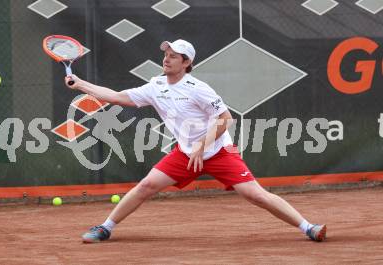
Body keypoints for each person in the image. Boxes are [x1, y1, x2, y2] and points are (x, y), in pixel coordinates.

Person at [64, 39, 327, 243]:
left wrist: (202, 147)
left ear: (186, 63)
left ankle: (309, 228)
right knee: (146, 186)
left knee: (256, 195)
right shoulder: (156, 86)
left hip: (218, 152)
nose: (167, 59)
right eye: (166, 55)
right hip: (185, 154)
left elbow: (226, 118)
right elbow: (117, 96)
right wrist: (81, 84)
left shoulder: (198, 88)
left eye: (173, 56)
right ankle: (105, 228)